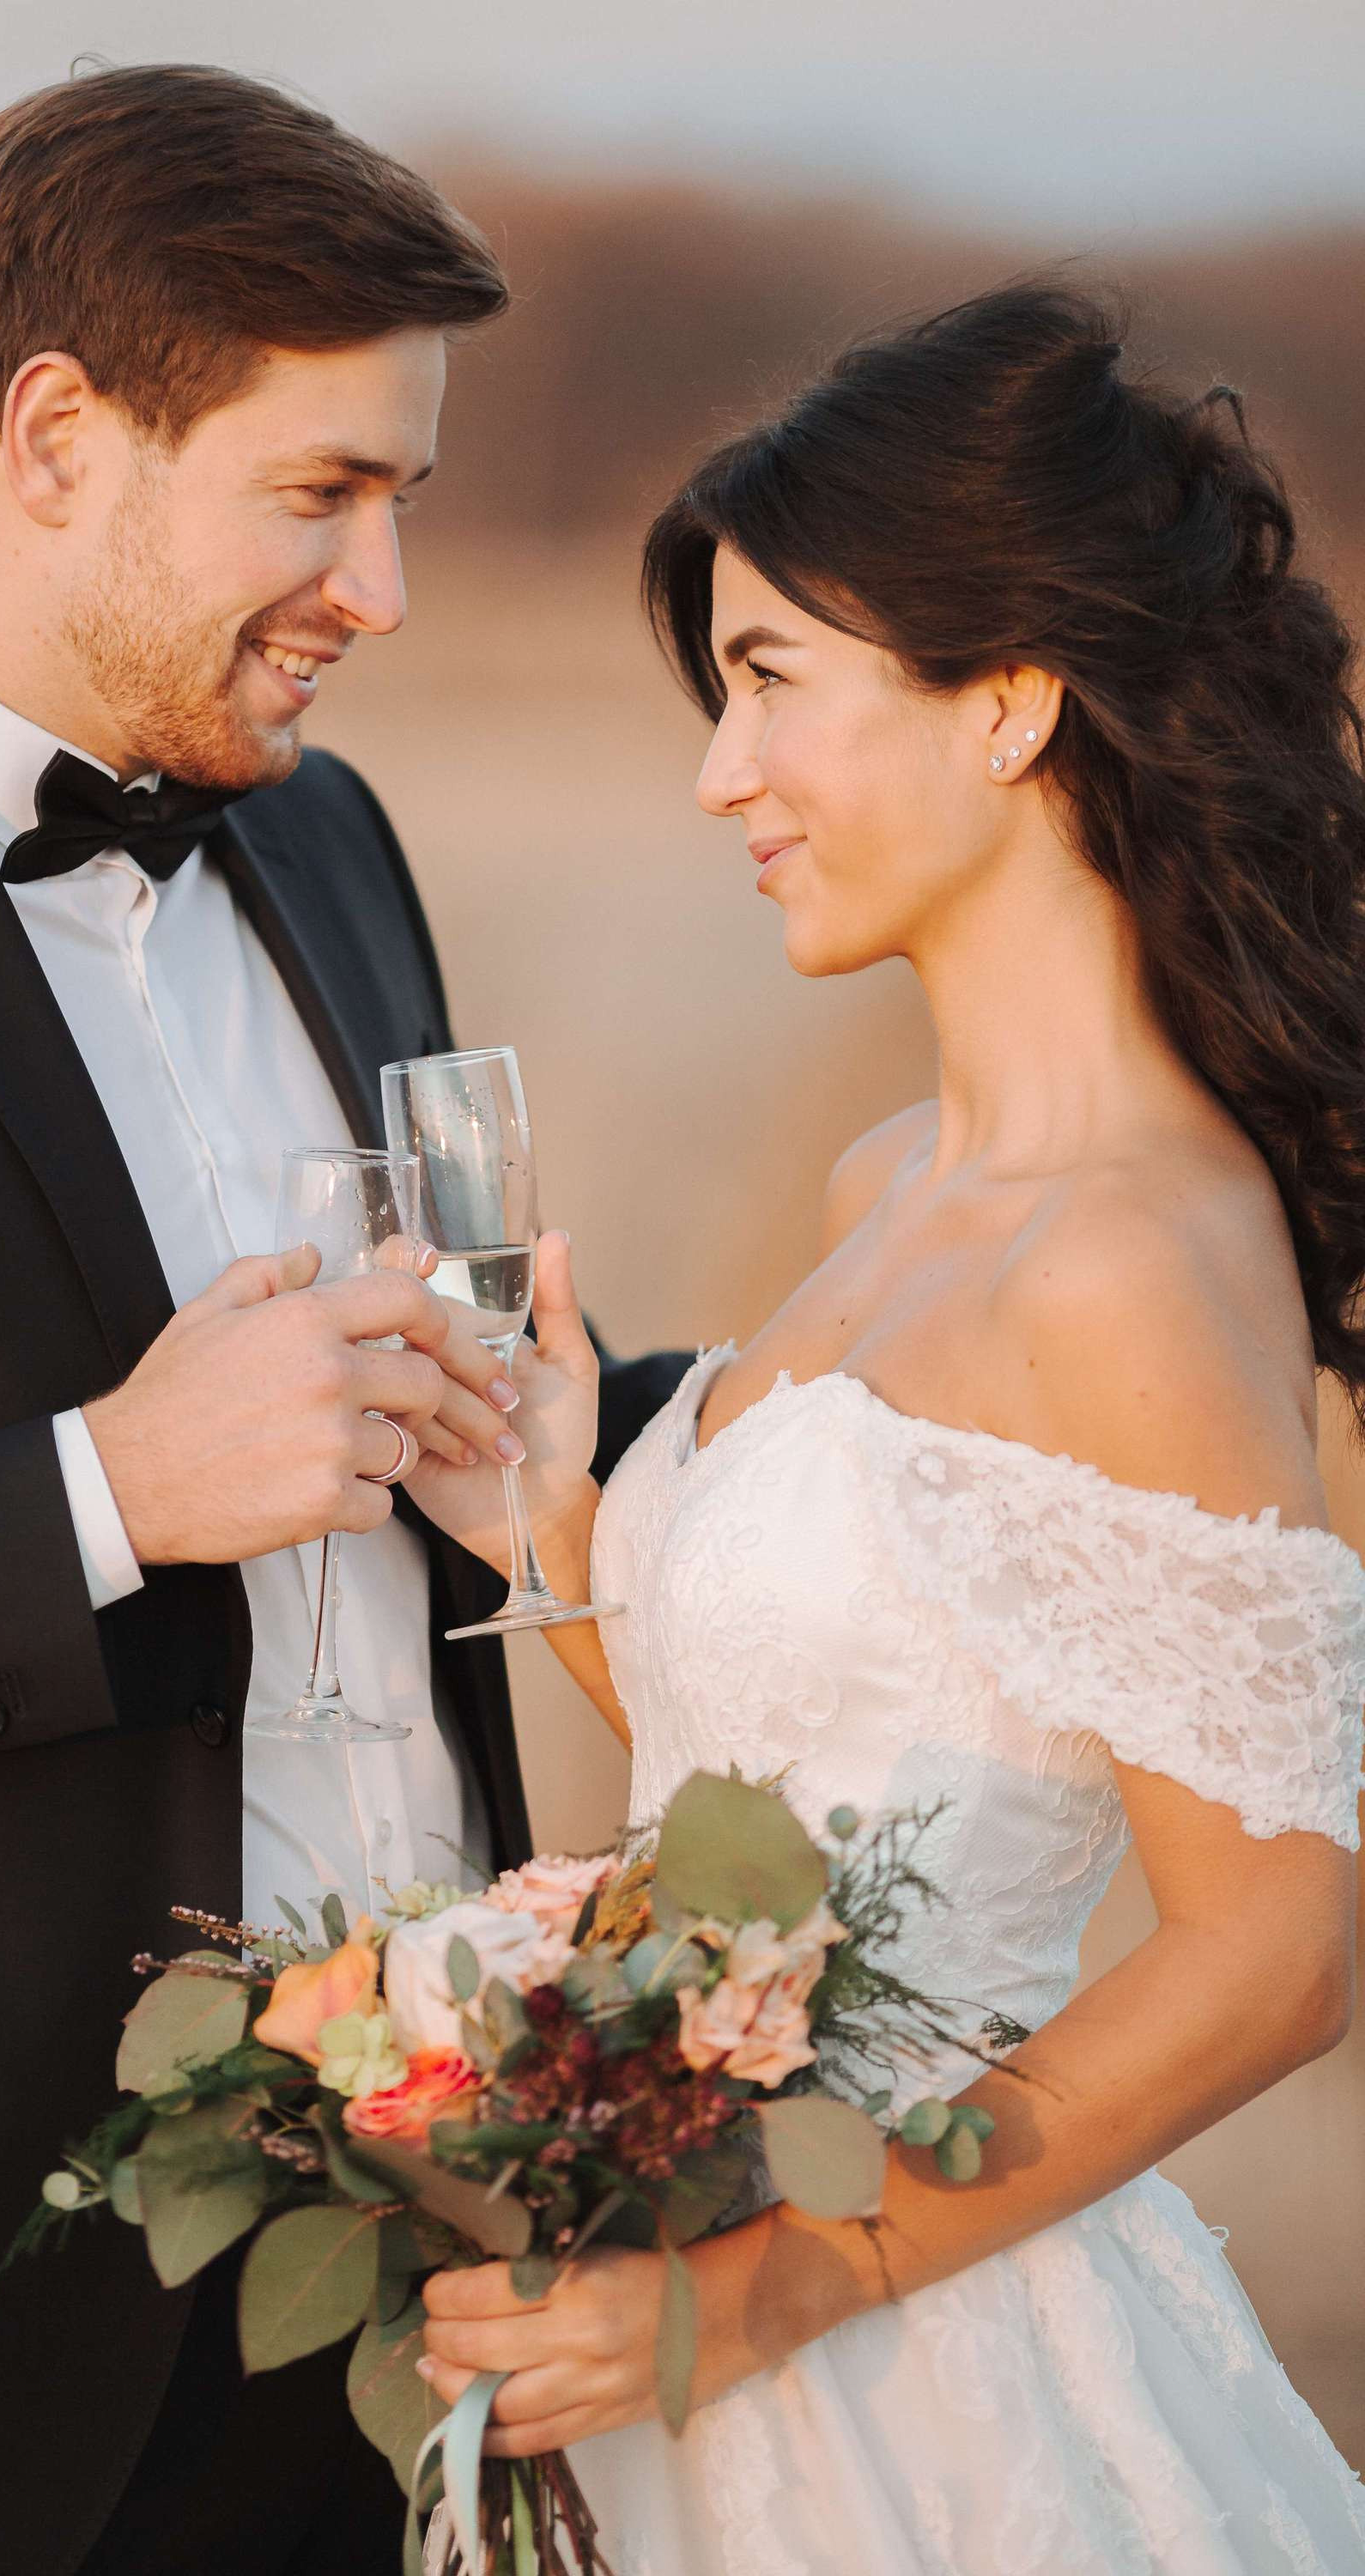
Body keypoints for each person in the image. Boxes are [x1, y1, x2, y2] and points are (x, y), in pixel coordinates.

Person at [0, 63, 688, 2576]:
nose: (385, 590)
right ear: (54, 436)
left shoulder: (331, 838)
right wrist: (104, 1492)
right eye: (319, 495)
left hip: (411, 2270)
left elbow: (468, 1427)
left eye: (404, 503)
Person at [408, 283, 1365, 2572]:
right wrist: (555, 1520)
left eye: (769, 687)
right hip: (703, 2313)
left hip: (917, 2372)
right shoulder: (888, 1190)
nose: (720, 777)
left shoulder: (1124, 1254)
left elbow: (1279, 1952)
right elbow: (807, 1814)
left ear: (1011, 699)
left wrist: (754, 2303)